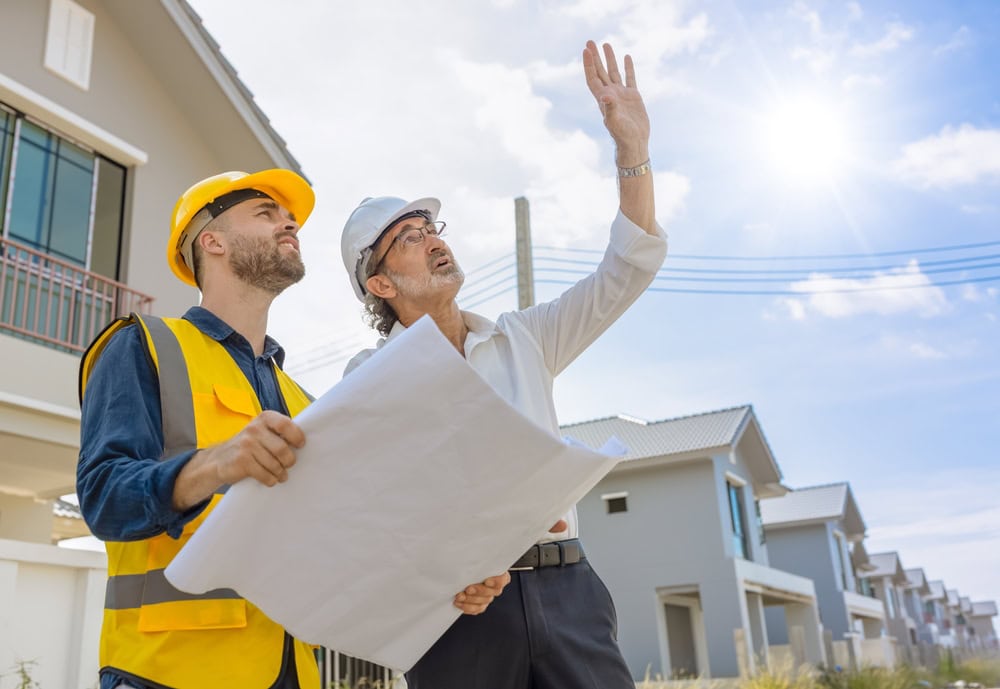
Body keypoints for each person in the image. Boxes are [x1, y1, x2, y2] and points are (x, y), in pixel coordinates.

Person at [338, 41, 667, 688]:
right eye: (409, 237)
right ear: (380, 286)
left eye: (434, 226)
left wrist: (632, 150)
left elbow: (625, 271)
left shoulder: (525, 339)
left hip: (568, 587)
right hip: (455, 612)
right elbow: (372, 508)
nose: (434, 239)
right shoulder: (367, 381)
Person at [77, 170, 323, 689]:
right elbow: (103, 498)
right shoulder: (144, 344)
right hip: (167, 670)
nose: (290, 223)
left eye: (290, 218)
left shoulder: (303, 400)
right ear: (211, 240)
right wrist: (215, 464)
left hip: (293, 668)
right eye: (266, 213)